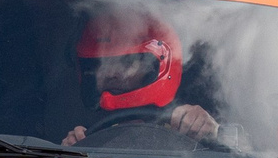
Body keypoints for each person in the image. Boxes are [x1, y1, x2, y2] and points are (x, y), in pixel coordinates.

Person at [59, 8, 222, 150]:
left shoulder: (191, 114)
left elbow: (240, 153)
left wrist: (209, 131)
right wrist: (71, 149)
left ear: (155, 65)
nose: (110, 73)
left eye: (126, 62)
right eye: (98, 64)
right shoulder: (77, 118)